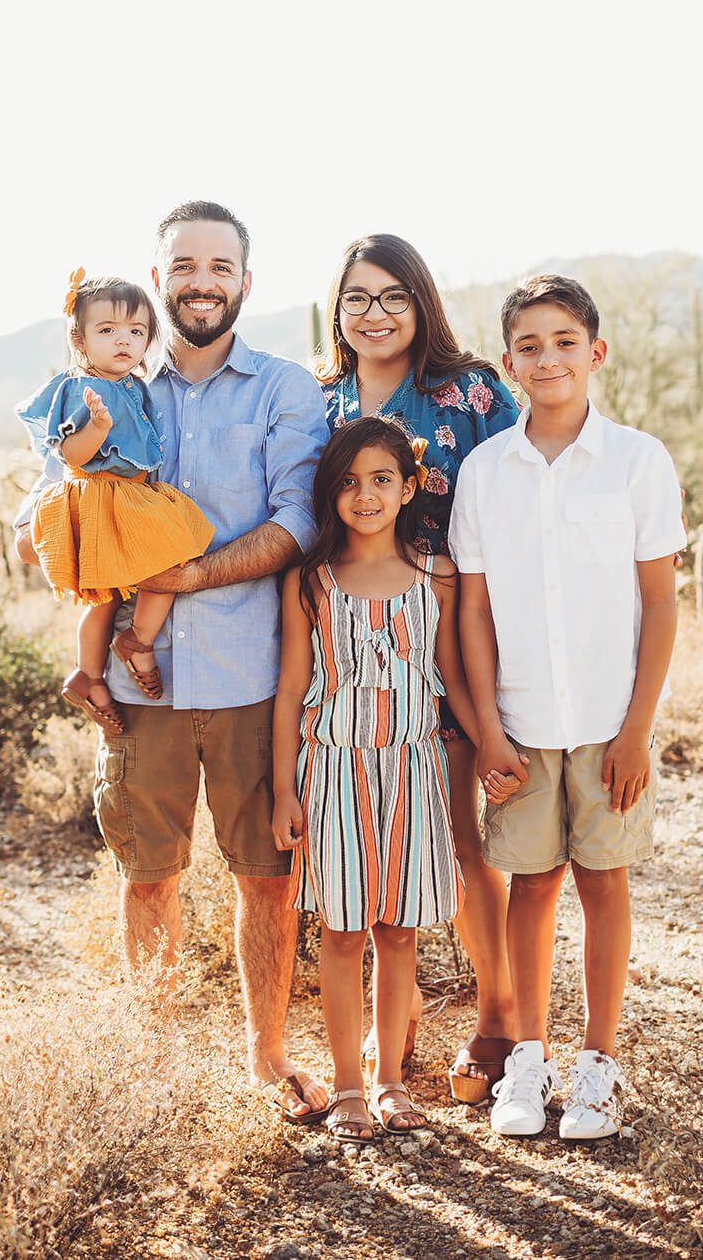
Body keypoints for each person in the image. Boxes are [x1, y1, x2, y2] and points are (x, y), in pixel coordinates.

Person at [14, 201, 332, 1124]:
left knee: (266, 877)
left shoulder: (281, 389)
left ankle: (266, 1058)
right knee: (148, 872)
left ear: (243, 280)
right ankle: (149, 1061)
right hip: (134, 684)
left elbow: (300, 518)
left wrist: (184, 572)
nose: (201, 279)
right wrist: (78, 570)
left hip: (248, 675)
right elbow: (50, 505)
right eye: (183, 264)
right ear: (160, 281)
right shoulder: (114, 387)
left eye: (219, 265)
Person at [449, 274, 684, 1141]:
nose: (548, 358)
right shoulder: (485, 471)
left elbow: (658, 603)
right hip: (519, 724)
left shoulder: (636, 461)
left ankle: (596, 1065)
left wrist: (636, 730)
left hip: (606, 724)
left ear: (596, 351)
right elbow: (472, 609)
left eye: (564, 341)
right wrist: (486, 731)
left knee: (602, 882)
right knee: (532, 883)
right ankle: (528, 1058)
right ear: (509, 363)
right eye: (529, 345)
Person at [316, 233, 523, 1105]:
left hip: (452, 631)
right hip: (349, 654)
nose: (375, 314)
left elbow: (519, 485)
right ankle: (386, 1042)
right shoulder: (314, 398)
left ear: (421, 301)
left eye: (393, 296)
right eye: (357, 298)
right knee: (364, 841)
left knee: (458, 833)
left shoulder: (469, 389)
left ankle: (499, 1018)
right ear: (337, 310)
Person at [271, 416, 483, 1141]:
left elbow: (452, 675)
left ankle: (389, 1077)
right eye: (350, 482)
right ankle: (349, 1085)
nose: (365, 495)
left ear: (409, 486)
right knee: (341, 930)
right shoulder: (312, 582)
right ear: (332, 491)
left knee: (397, 932)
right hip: (332, 771)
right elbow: (290, 687)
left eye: (382, 479)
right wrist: (282, 789)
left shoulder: (438, 576)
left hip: (414, 765)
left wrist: (491, 746)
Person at [15, 270, 214, 734]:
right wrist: (96, 430)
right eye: (107, 331)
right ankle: (132, 645)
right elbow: (68, 454)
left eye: (136, 332)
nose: (123, 341)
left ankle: (93, 670)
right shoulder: (79, 387)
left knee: (122, 587)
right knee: (165, 563)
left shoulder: (131, 385)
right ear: (80, 339)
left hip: (129, 496)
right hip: (100, 496)